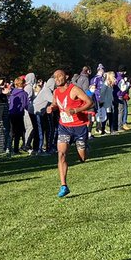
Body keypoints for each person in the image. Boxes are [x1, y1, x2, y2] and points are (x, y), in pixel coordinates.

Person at [48, 68, 92, 199]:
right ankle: (63, 186)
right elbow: (56, 104)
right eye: (54, 77)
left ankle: (85, 148)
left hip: (79, 127)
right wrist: (52, 107)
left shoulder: (74, 89)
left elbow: (90, 102)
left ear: (66, 77)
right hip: (64, 127)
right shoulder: (56, 92)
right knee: (61, 154)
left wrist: (76, 110)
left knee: (82, 158)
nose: (56, 79)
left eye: (59, 76)